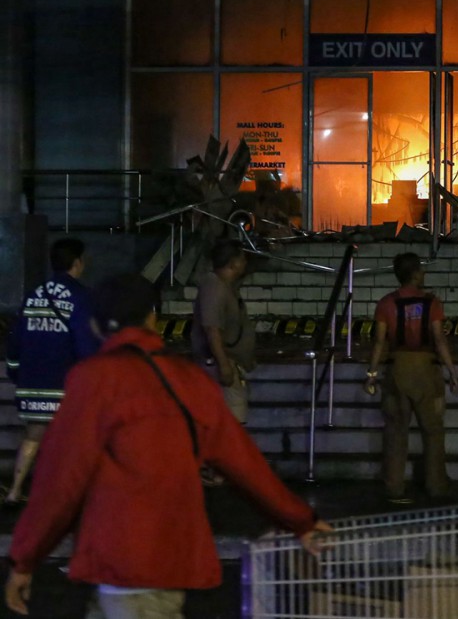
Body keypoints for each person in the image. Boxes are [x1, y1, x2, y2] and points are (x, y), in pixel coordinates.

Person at [4, 273, 330, 618]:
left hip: (121, 559)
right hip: (172, 557)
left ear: (96, 327)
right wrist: (301, 520)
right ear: (152, 318)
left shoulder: (95, 380)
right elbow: (245, 464)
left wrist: (25, 559)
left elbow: (60, 482)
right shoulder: (189, 380)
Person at [3, 237, 100, 506]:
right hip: (66, 383)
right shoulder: (82, 297)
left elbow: (15, 342)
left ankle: (14, 491)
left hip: (33, 383)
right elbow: (85, 344)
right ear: (78, 263)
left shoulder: (33, 295)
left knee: (33, 435)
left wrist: (16, 372)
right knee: (73, 437)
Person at [364, 252, 458, 504]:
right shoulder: (432, 303)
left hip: (398, 370)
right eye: (421, 269)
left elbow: (379, 342)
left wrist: (372, 374)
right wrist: (452, 371)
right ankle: (436, 485)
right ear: (416, 274)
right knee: (433, 431)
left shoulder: (386, 303)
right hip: (426, 370)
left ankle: (394, 487)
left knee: (396, 431)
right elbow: (439, 340)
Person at [192, 238, 256, 424]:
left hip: (228, 360)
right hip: (219, 363)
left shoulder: (225, 285)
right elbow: (212, 329)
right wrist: (224, 365)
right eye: (242, 259)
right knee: (234, 415)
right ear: (233, 263)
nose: (245, 263)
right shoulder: (214, 287)